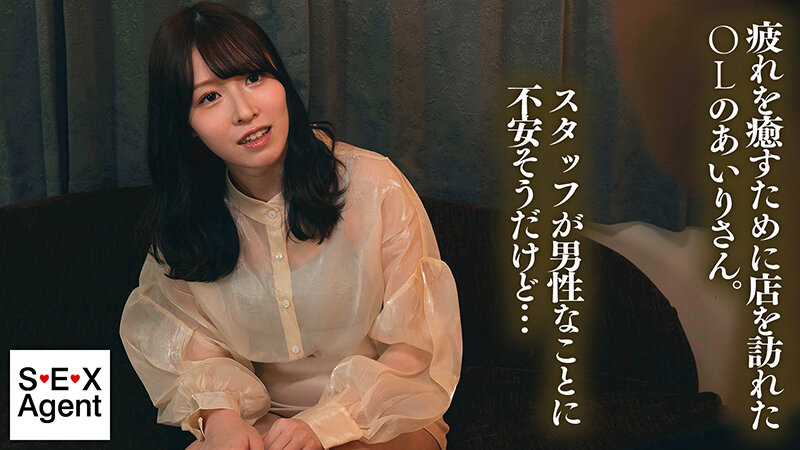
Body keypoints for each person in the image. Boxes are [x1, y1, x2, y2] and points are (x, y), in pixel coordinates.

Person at [118, 2, 462, 449]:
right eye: (209, 97)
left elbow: (415, 349)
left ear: (281, 80)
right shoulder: (188, 221)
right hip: (263, 424)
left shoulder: (375, 185)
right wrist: (220, 420)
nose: (244, 111)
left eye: (253, 77)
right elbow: (182, 341)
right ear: (185, 126)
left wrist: (325, 424)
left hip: (383, 418)